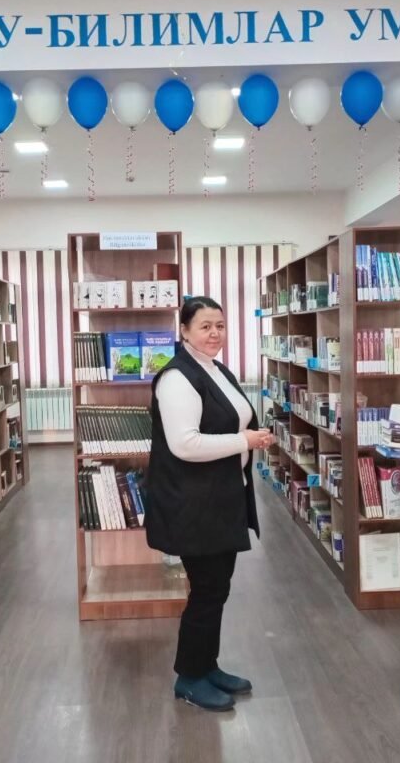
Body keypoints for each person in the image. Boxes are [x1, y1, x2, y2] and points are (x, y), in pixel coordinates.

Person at [146, 296, 275, 712]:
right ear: (184, 331)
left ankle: (207, 665)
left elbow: (232, 418)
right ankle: (189, 677)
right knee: (206, 589)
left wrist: (253, 436)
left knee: (217, 588)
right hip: (193, 504)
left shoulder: (215, 369)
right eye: (205, 326)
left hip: (222, 497)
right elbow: (185, 444)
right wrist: (245, 441)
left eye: (219, 325)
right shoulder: (176, 378)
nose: (215, 333)